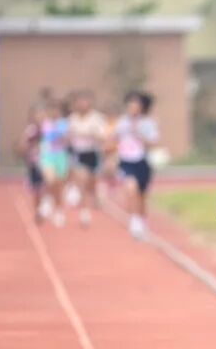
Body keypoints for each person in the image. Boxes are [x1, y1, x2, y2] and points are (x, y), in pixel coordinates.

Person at [115, 90, 160, 240]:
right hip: (126, 161)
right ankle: (134, 220)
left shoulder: (148, 123)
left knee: (141, 195)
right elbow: (114, 139)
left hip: (142, 161)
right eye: (131, 105)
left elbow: (154, 142)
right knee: (131, 188)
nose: (133, 108)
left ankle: (142, 220)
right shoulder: (122, 123)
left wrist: (140, 135)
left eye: (136, 105)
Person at [67, 90, 107, 227]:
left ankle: (93, 195)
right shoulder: (72, 119)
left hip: (93, 153)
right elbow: (67, 138)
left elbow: (103, 137)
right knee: (82, 180)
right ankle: (84, 212)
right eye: (80, 101)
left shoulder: (97, 118)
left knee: (91, 184)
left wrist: (92, 134)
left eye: (86, 100)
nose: (83, 103)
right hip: (79, 153)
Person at [38, 100, 70, 227]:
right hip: (48, 156)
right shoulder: (45, 123)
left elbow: (67, 139)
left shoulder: (65, 124)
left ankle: (58, 211)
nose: (54, 112)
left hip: (61, 157)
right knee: (50, 179)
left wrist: (63, 135)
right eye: (52, 110)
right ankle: (47, 200)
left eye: (57, 110)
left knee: (58, 187)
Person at [19, 107, 46, 222]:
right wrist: (29, 146)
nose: (39, 118)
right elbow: (22, 147)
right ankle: (38, 210)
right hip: (35, 162)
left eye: (42, 115)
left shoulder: (49, 129)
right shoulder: (30, 131)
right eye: (37, 115)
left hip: (48, 161)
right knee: (37, 189)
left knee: (49, 184)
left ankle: (48, 205)